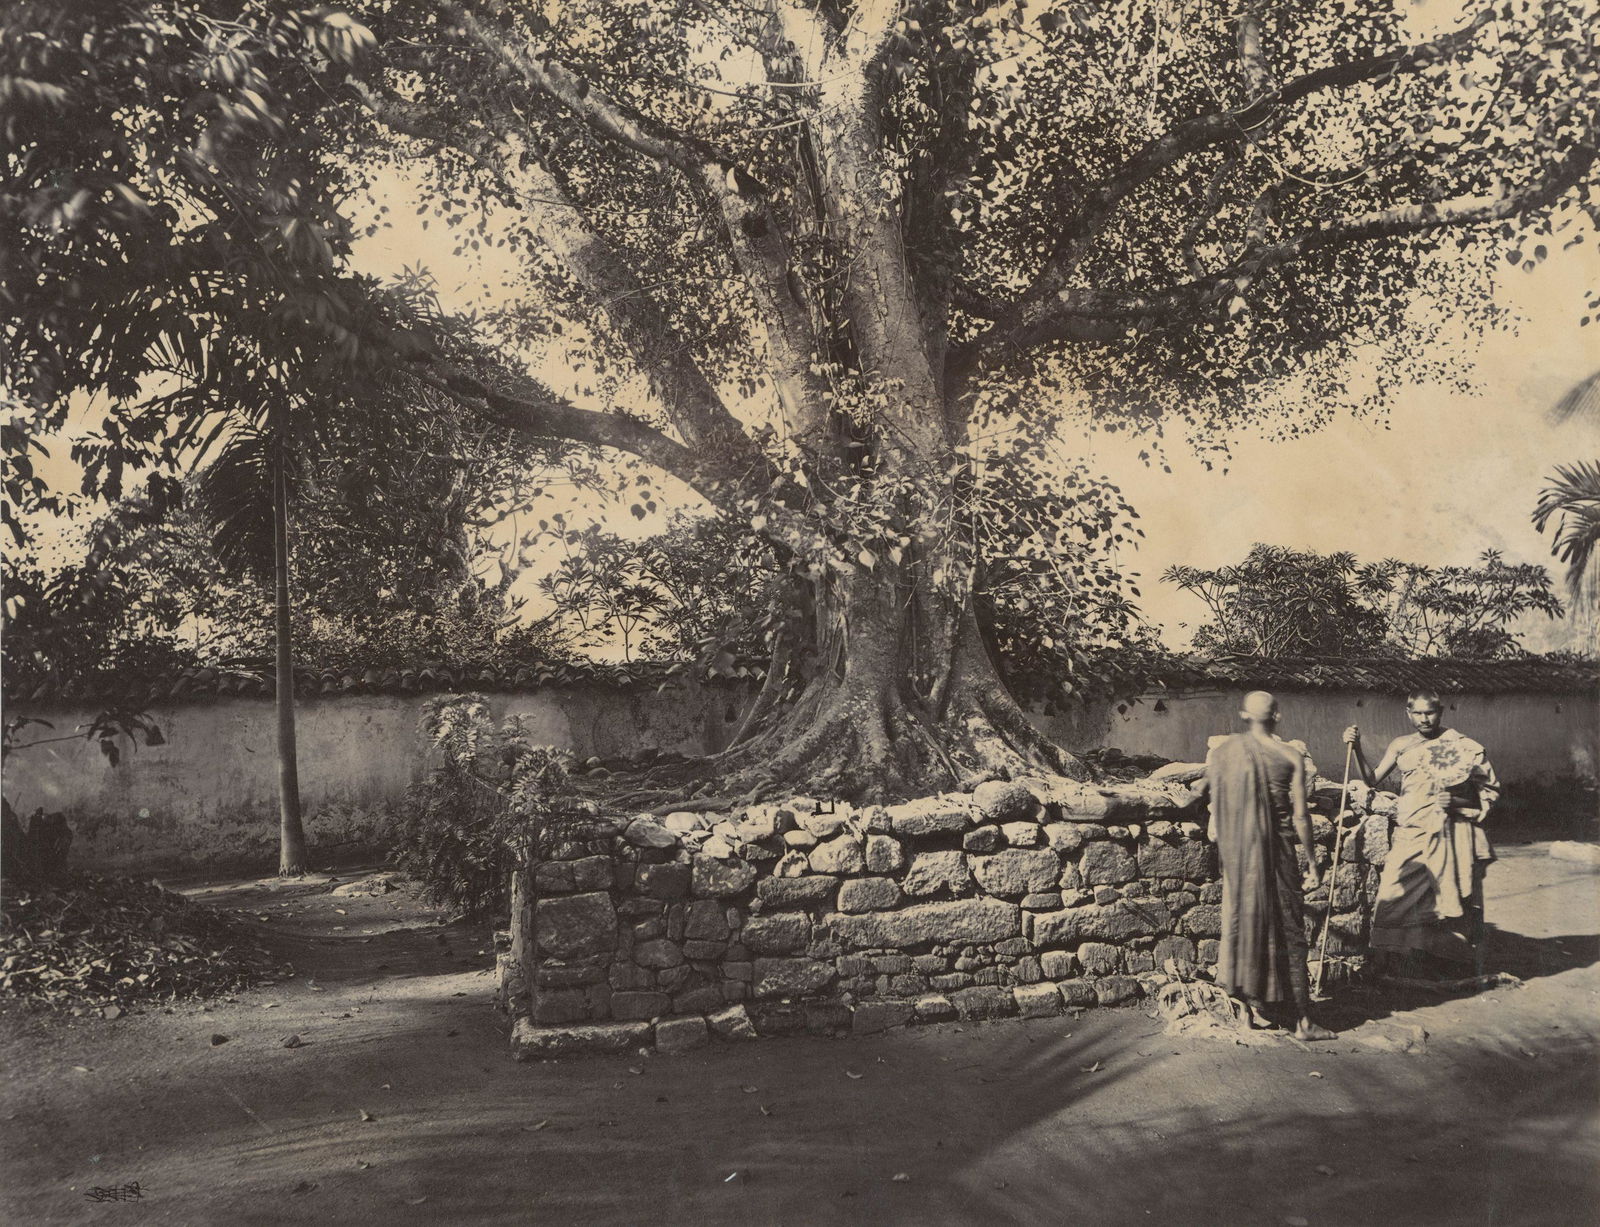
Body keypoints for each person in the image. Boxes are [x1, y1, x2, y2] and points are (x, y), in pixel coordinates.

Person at [1204, 691, 1335, 1040]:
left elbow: (1208, 798)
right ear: (1277, 716)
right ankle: (1303, 1022)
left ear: (1243, 715)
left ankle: (1246, 1014)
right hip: (1279, 854)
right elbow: (1301, 816)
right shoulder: (1290, 754)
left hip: (1239, 858)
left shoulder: (1224, 753)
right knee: (1290, 932)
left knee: (1242, 925)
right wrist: (1312, 863)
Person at [1344, 691, 1500, 976]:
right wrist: (1356, 748)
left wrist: (1456, 801)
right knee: (1391, 893)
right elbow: (1371, 779)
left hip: (1449, 833)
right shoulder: (1401, 745)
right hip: (1411, 831)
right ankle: (1393, 959)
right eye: (1417, 713)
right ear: (1408, 713)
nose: (1424, 719)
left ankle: (1448, 962)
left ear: (1440, 712)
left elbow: (1487, 792)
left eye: (1430, 713)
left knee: (1449, 898)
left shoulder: (1460, 745)